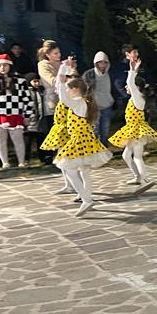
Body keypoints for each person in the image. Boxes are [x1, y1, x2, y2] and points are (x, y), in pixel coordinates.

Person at [54, 58, 112, 216]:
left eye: (68, 88)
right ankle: (87, 197)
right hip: (86, 141)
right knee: (84, 172)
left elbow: (63, 98)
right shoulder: (84, 102)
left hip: (79, 141)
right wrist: (64, 71)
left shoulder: (78, 103)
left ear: (74, 90)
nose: (67, 91)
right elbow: (63, 95)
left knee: (69, 169)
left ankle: (86, 199)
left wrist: (62, 78)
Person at [109, 57, 157, 188]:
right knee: (126, 155)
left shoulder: (138, 98)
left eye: (129, 86)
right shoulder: (134, 98)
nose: (126, 87)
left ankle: (144, 179)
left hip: (137, 131)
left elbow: (130, 82)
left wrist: (132, 70)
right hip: (132, 130)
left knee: (137, 156)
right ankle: (138, 177)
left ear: (136, 87)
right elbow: (130, 83)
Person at [0, 54, 36, 169]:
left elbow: (27, 99)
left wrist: (27, 115)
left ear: (10, 66)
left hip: (15, 114)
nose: (2, 68)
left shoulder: (19, 80)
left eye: (5, 65)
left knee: (18, 139)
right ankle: (5, 163)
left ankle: (21, 162)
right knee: (0, 139)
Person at [41, 64, 79, 193]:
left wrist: (67, 70)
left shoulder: (71, 100)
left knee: (70, 162)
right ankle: (69, 185)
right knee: (61, 159)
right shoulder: (63, 99)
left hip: (69, 132)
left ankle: (77, 186)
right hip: (61, 131)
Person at [82, 51, 116, 146]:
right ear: (96, 63)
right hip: (94, 106)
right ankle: (94, 148)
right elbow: (84, 89)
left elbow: (115, 88)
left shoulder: (111, 74)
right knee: (94, 129)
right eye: (100, 62)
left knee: (105, 129)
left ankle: (104, 147)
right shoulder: (89, 74)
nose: (103, 65)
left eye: (105, 62)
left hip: (107, 105)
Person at [23, 72, 53, 164]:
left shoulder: (41, 91)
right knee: (27, 142)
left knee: (41, 140)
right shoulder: (26, 92)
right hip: (30, 121)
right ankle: (25, 158)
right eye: (34, 81)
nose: (37, 83)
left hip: (40, 120)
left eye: (38, 81)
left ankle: (43, 157)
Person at [36, 41, 62, 114]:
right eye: (55, 53)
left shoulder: (61, 64)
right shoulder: (43, 65)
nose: (59, 55)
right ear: (47, 55)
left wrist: (71, 68)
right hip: (52, 99)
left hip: (65, 99)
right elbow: (51, 81)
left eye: (59, 52)